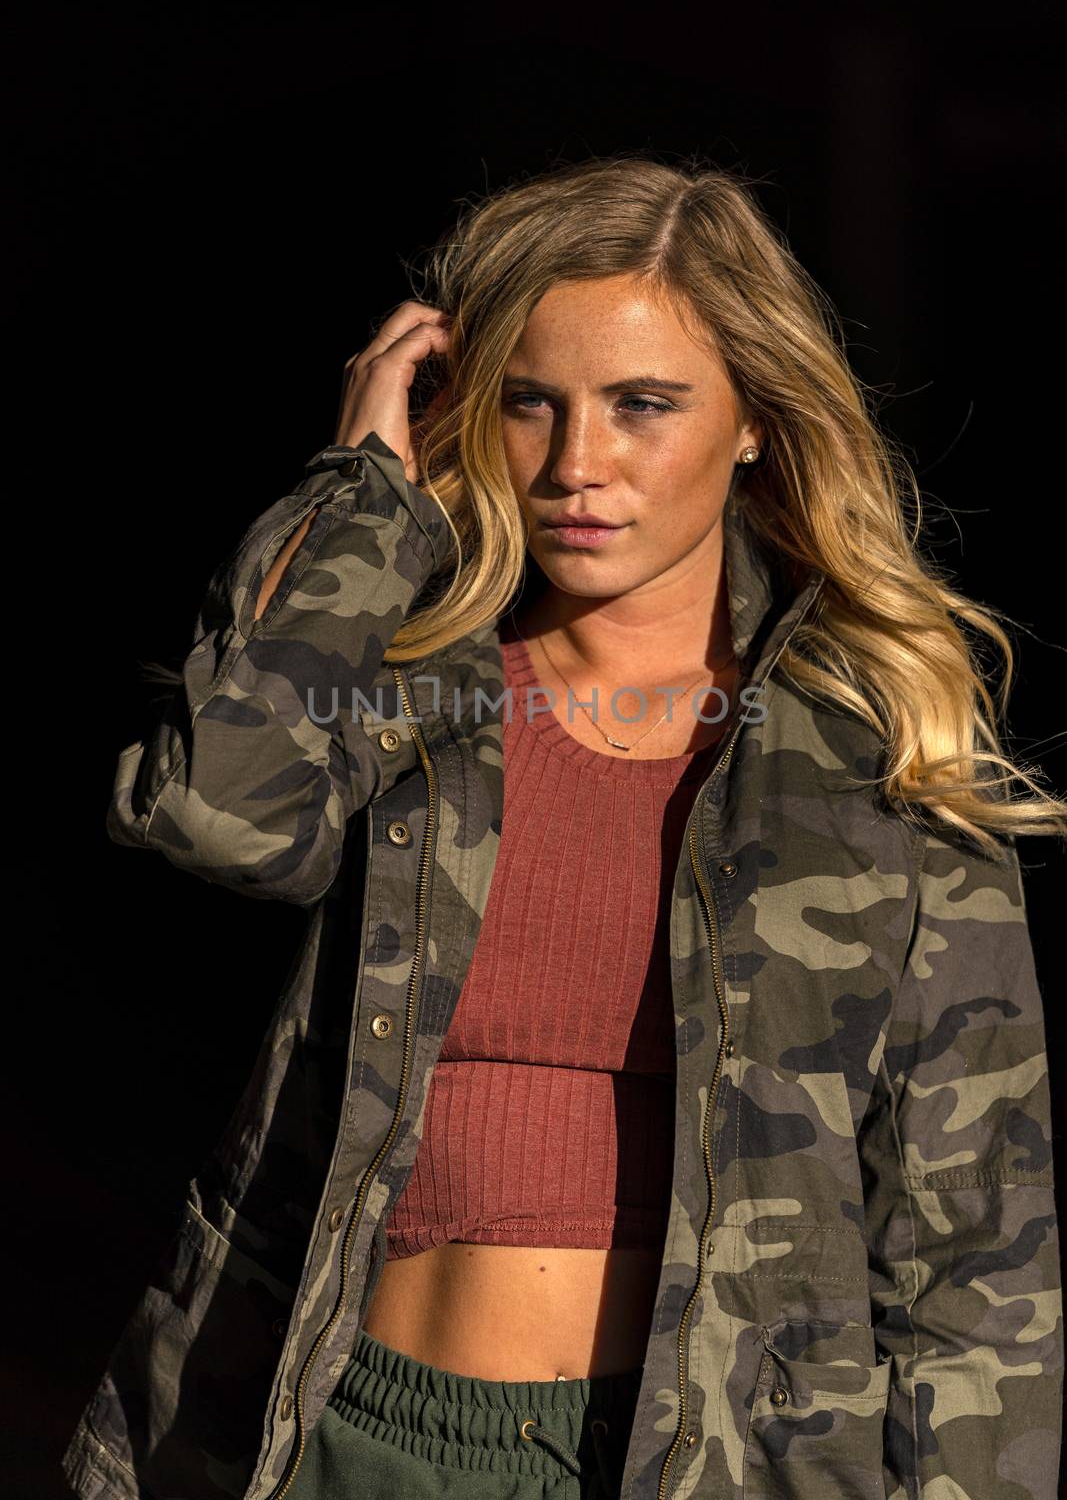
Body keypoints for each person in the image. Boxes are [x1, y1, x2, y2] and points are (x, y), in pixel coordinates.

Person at [64, 158, 1064, 1500]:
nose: (578, 464)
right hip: (344, 1430)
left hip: (699, 1464)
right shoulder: (411, 686)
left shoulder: (878, 764)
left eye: (644, 405)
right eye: (532, 403)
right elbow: (215, 817)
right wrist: (364, 489)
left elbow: (978, 1269)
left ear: (759, 418)